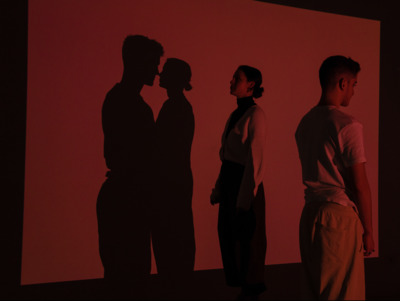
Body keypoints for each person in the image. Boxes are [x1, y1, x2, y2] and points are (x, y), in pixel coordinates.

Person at [295, 55, 375, 300]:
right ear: (342, 83)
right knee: (343, 293)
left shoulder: (305, 123)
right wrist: (369, 230)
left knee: (317, 291)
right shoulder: (346, 124)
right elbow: (359, 185)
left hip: (310, 214)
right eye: (353, 85)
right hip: (337, 217)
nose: (352, 91)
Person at [96, 35, 163, 290]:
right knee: (129, 277)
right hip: (127, 200)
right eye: (153, 64)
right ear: (137, 62)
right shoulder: (128, 103)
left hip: (126, 197)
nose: (157, 72)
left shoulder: (121, 100)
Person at [211, 65, 267, 300]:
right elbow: (227, 156)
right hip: (231, 183)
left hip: (245, 186)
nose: (232, 81)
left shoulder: (255, 115)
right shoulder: (236, 114)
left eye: (238, 78)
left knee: (247, 243)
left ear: (251, 85)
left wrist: (245, 200)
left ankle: (250, 291)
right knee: (230, 237)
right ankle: (244, 289)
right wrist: (219, 188)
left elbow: (255, 161)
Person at [152, 58, 196, 276]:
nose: (161, 74)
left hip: (171, 184)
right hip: (176, 181)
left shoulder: (175, 107)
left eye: (166, 71)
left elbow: (164, 147)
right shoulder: (178, 106)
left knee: (171, 238)